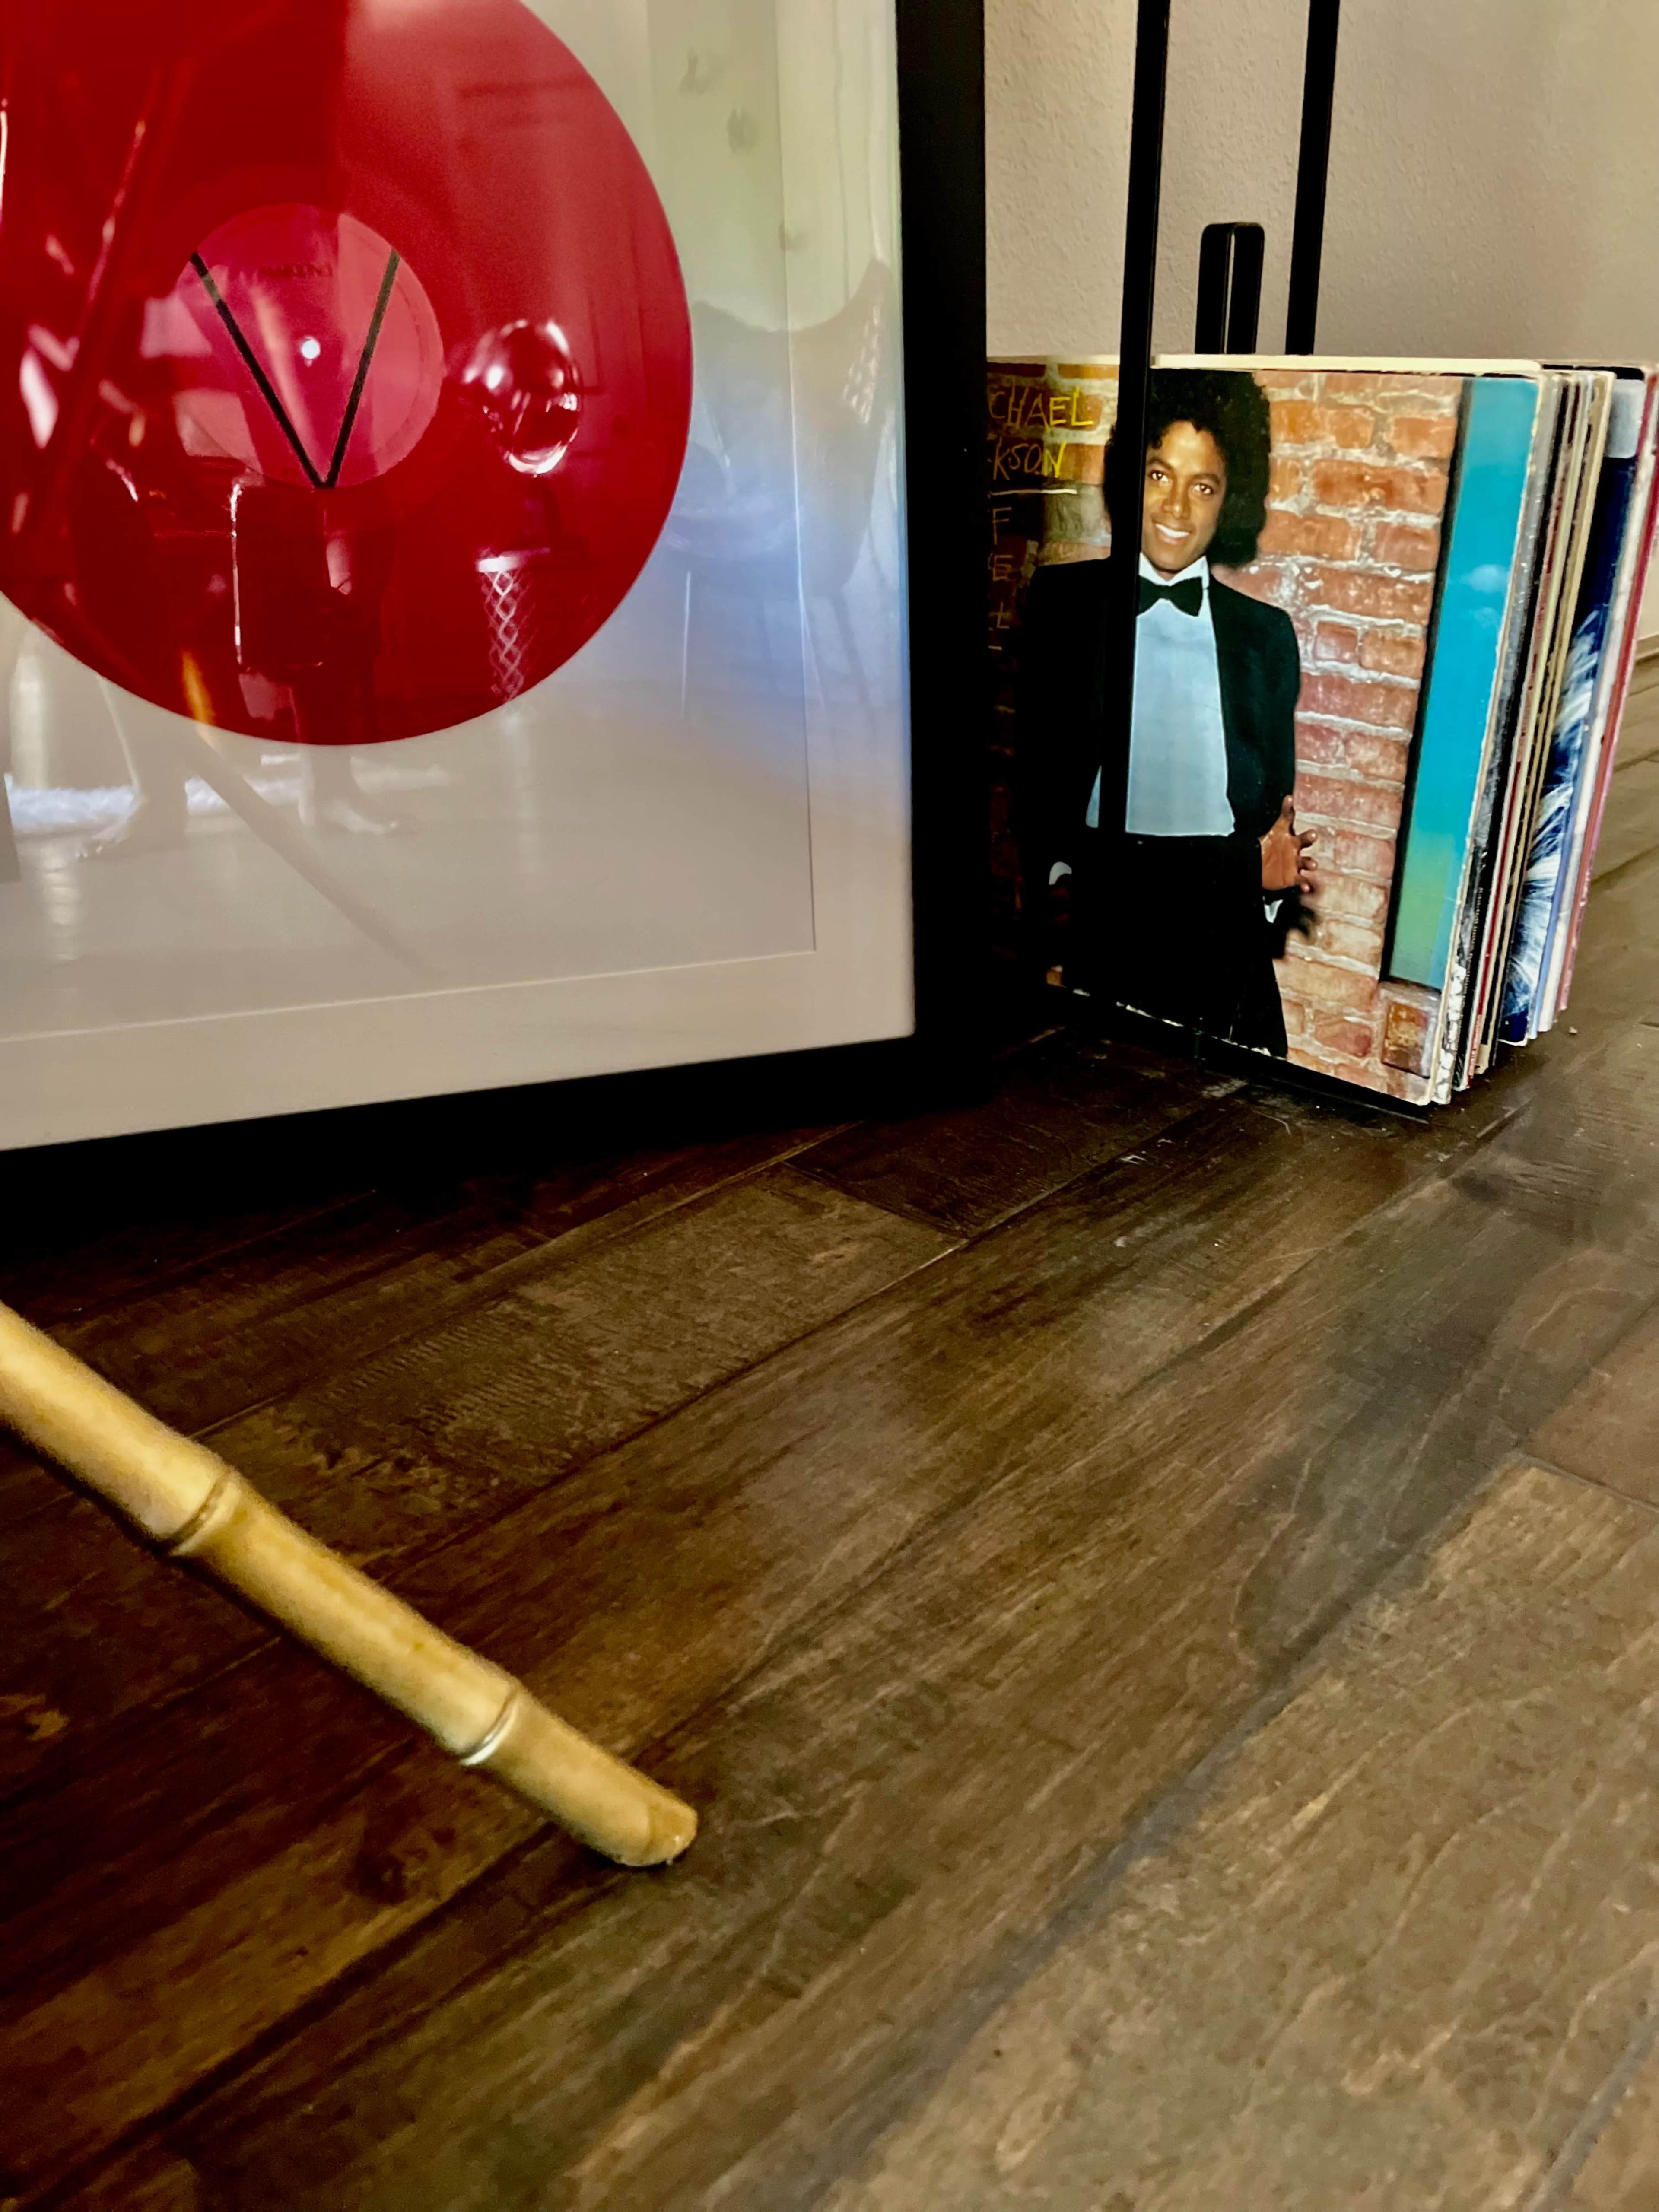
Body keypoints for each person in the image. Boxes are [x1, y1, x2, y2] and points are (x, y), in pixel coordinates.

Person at [1014, 368, 1316, 1055]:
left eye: (1202, 485)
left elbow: (1272, 811)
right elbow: (1035, 784)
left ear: (1226, 502)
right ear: (1131, 477)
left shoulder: (1266, 638)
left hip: (1221, 938)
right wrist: (1057, 887)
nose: (1177, 506)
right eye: (1159, 475)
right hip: (1101, 929)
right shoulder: (1063, 605)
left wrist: (1273, 886)